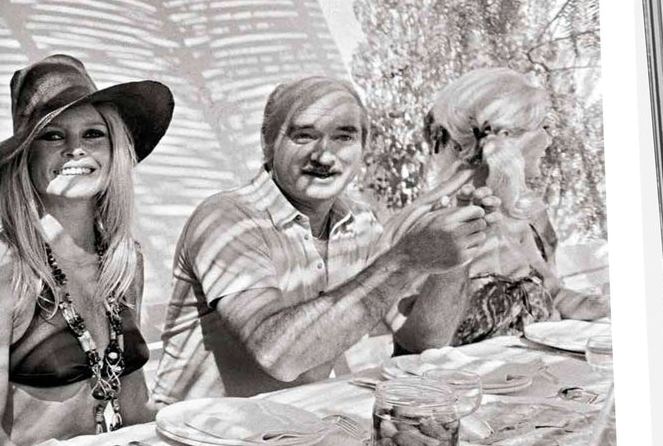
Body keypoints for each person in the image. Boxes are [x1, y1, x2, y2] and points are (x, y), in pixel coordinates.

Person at [152, 76, 490, 404]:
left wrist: (457, 250)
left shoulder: (359, 222)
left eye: (343, 137)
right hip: (197, 443)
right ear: (268, 144)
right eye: (303, 136)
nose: (324, 156)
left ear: (362, 148)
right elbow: (279, 355)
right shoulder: (227, 218)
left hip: (289, 432)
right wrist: (405, 259)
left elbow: (423, 340)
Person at [0, 55, 174, 446]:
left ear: (114, 151)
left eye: (93, 134)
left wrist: (188, 437)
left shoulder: (126, 262)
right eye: (53, 136)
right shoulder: (2, 265)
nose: (75, 150)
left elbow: (135, 402)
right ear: (25, 154)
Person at [416, 66, 609, 343]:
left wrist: (603, 306)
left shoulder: (524, 216)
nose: (549, 140)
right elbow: (420, 341)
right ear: (507, 138)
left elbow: (553, 292)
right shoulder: (437, 226)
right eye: (543, 127)